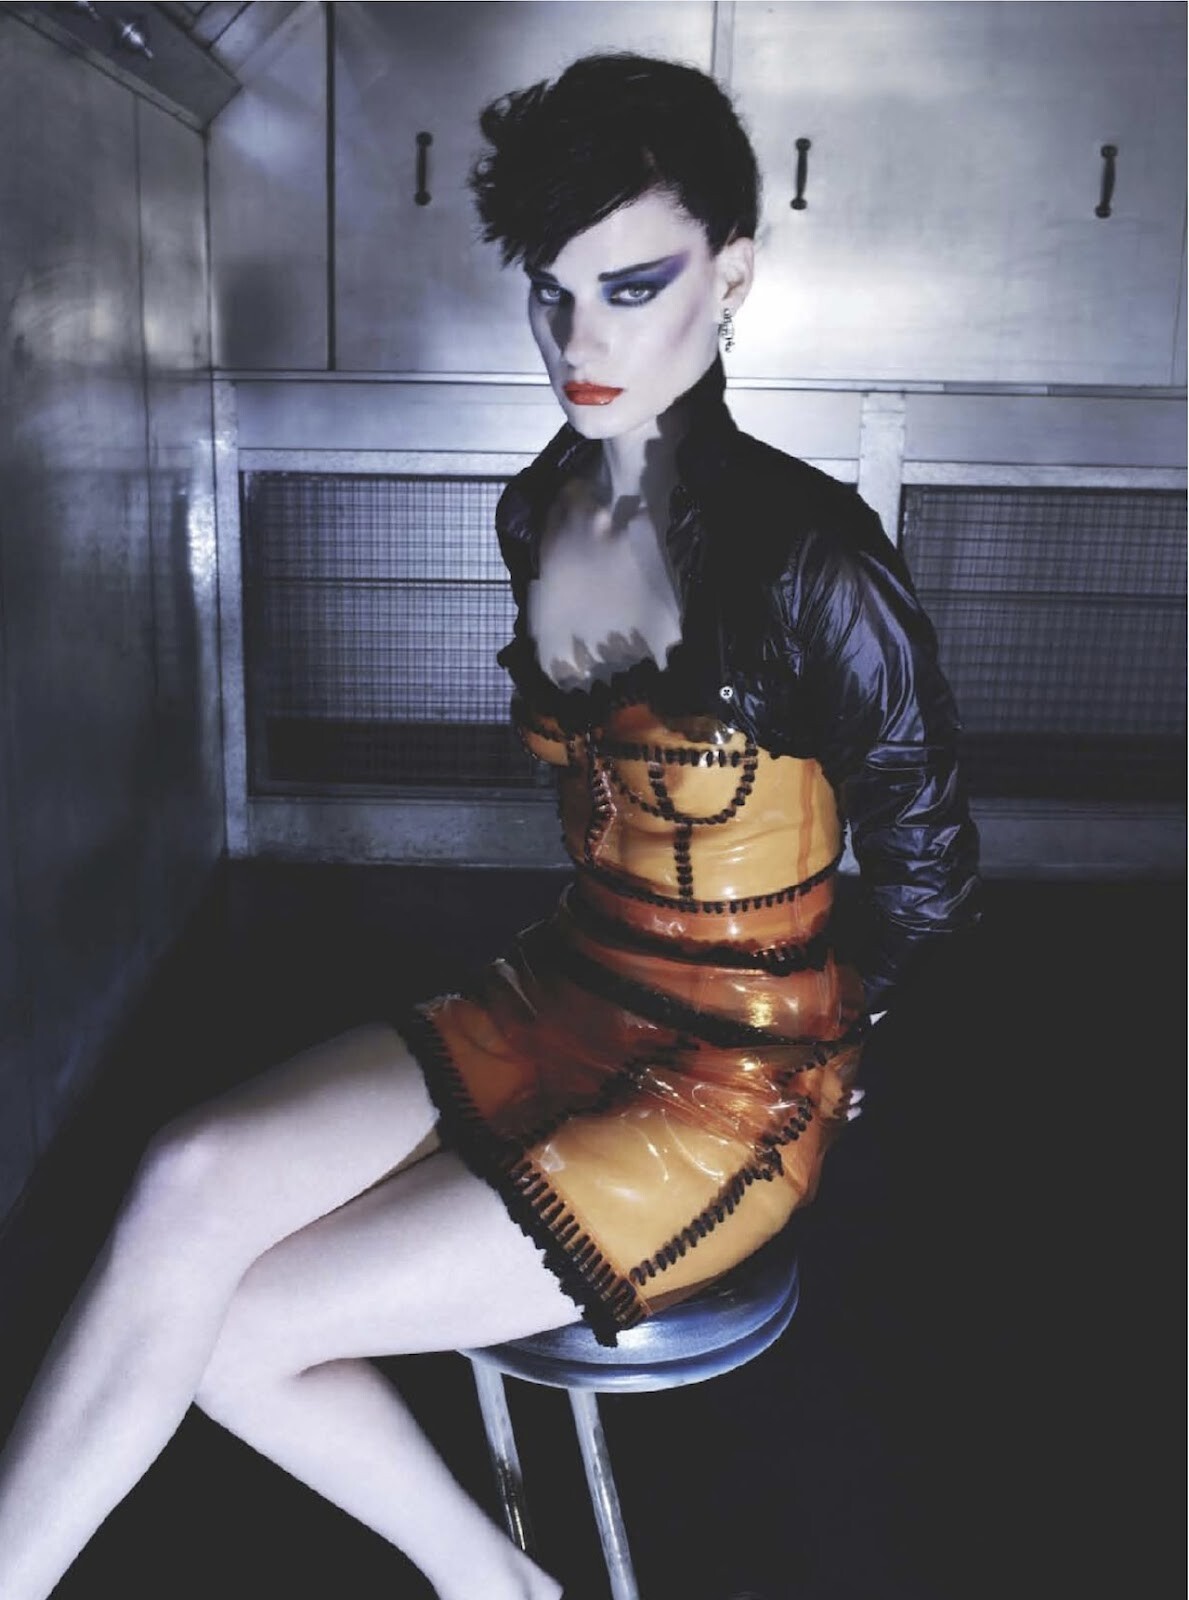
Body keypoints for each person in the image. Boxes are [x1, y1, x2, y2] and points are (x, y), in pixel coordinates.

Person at [0, 51, 979, 1600]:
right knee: (184, 1179)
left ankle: (491, 1588)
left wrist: (832, 1039)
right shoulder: (541, 510)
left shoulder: (813, 559)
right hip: (564, 985)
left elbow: (929, 868)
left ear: (729, 278)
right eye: (552, 295)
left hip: (736, 1069)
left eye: (632, 288)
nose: (581, 343)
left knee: (240, 1329)